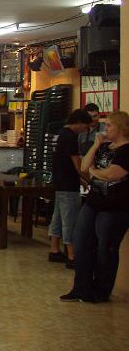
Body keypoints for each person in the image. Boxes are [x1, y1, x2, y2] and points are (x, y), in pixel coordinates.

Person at [62, 111, 129, 303]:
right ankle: (81, 287)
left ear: (121, 128)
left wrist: (94, 172)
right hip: (93, 201)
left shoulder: (126, 151)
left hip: (115, 206)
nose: (105, 129)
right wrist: (96, 145)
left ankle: (101, 290)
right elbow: (84, 166)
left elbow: (112, 174)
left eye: (109, 125)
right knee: (81, 241)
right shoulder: (105, 147)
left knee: (105, 248)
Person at [48, 109, 92, 268]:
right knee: (70, 220)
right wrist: (90, 179)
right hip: (69, 185)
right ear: (79, 122)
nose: (85, 130)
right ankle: (72, 256)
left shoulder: (59, 133)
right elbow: (77, 165)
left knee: (58, 217)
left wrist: (81, 180)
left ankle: (54, 250)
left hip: (59, 181)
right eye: (85, 127)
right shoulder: (71, 137)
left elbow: (62, 161)